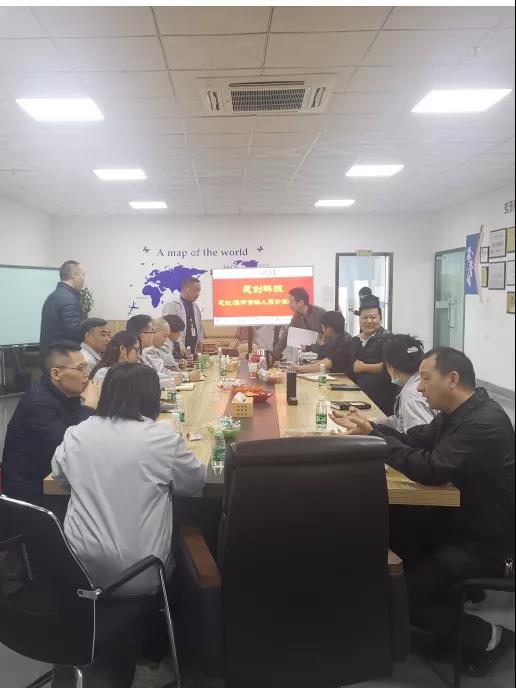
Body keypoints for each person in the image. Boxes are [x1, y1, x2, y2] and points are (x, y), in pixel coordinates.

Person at [330, 347, 515, 676]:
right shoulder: (457, 414)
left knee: (398, 595)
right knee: (389, 531)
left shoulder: (483, 423)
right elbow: (414, 439)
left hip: (483, 542)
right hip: (455, 523)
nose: (419, 386)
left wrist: (378, 441)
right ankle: (430, 612)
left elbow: (432, 469)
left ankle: (488, 637)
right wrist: (372, 429)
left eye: (426, 378)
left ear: (452, 379)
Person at [51, 362, 205, 686]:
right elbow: (194, 483)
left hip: (77, 568)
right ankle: (157, 655)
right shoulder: (161, 439)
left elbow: (60, 477)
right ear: (152, 397)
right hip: (141, 572)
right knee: (187, 544)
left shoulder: (78, 433)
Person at [1, 341, 99, 503]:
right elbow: (72, 448)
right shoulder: (37, 404)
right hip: (34, 493)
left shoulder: (67, 393)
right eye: (81, 368)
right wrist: (89, 407)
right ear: (56, 373)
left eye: (86, 367)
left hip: (57, 478)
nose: (86, 374)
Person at [380, 334, 437, 432]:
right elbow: (403, 419)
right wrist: (374, 423)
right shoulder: (427, 380)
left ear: (390, 367)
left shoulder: (411, 395)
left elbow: (421, 437)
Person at [350, 299, 397, 415]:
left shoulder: (389, 339)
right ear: (359, 319)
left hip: (381, 397)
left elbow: (390, 367)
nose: (369, 321)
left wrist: (362, 367)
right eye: (365, 318)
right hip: (356, 394)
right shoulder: (355, 340)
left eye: (373, 317)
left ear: (380, 318)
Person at [39, 260, 86, 357]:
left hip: (52, 353)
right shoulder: (69, 299)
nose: (84, 279)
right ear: (74, 275)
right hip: (63, 355)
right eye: (83, 275)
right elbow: (74, 332)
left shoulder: (56, 295)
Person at [271, 287, 326, 362]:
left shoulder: (320, 313)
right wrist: (273, 356)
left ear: (301, 302)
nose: (289, 305)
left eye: (291, 301)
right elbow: (286, 335)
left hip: (327, 354)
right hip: (314, 356)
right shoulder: (297, 316)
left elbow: (329, 337)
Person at [293, 311, 353, 376]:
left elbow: (325, 364)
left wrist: (300, 368)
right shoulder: (338, 338)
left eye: (322, 327)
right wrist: (321, 345)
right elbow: (324, 357)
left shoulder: (345, 342)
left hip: (345, 379)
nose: (322, 331)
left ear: (329, 329)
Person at [126, 315, 178, 388]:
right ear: (142, 336)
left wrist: (176, 378)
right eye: (152, 331)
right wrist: (172, 381)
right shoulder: (131, 354)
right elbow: (142, 382)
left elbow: (152, 375)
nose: (153, 335)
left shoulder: (141, 352)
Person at [163, 277, 204, 354]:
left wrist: (200, 341)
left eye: (199, 291)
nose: (198, 294)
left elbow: (199, 327)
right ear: (187, 289)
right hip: (176, 350)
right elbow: (170, 329)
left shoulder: (196, 307)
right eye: (197, 290)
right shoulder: (172, 305)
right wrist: (181, 346)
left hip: (192, 349)